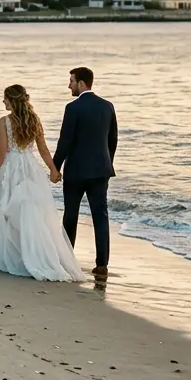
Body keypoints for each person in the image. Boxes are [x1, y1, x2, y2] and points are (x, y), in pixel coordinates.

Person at [0, 85, 84, 282]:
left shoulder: (4, 122)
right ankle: (33, 252)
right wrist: (53, 169)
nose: (3, 102)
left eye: (5, 99)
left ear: (12, 100)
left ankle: (14, 255)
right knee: (31, 212)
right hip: (30, 167)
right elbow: (43, 149)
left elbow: (1, 151)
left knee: (8, 211)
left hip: (11, 168)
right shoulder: (34, 120)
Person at [52, 67, 119, 275]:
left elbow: (65, 141)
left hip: (76, 172)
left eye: (71, 81)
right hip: (101, 171)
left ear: (82, 83)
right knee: (101, 217)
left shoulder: (72, 108)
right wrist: (106, 163)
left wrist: (55, 168)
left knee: (70, 215)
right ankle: (102, 265)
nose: (69, 85)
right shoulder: (107, 106)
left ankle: (67, 259)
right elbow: (112, 140)